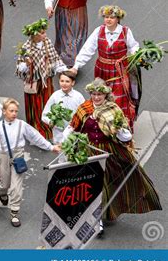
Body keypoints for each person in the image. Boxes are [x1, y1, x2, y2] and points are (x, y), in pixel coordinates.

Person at [63, 78, 162, 234]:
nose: (96, 97)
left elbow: (126, 136)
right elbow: (73, 127)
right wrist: (66, 139)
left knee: (106, 185)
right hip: (87, 152)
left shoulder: (114, 109)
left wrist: (121, 132)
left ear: (105, 95)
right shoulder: (84, 108)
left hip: (108, 152)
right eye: (94, 94)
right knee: (91, 185)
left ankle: (103, 213)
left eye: (99, 94)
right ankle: (96, 220)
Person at [0, 98, 60, 227]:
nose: (14, 113)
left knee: (16, 186)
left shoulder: (22, 125)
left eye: (16, 111)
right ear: (4, 111)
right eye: (11, 111)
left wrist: (50, 147)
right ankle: (2, 192)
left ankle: (14, 213)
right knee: (5, 183)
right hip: (3, 156)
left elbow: (35, 136)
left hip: (18, 156)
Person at [69, 5, 140, 128]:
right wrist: (76, 66)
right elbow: (88, 49)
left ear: (118, 19)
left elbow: (134, 46)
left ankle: (121, 128)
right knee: (101, 97)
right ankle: (102, 127)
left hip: (120, 71)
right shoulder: (99, 31)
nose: (108, 20)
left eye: (112, 17)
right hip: (102, 70)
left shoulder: (125, 32)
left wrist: (136, 55)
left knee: (118, 99)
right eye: (106, 17)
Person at [15, 18, 68, 139]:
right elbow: (19, 69)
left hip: (47, 80)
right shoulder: (26, 48)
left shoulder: (47, 42)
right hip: (34, 82)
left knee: (49, 102)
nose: (45, 35)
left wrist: (63, 69)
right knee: (35, 105)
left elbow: (55, 58)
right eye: (42, 33)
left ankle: (48, 124)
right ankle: (36, 128)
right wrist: (26, 65)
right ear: (35, 35)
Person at [41, 71, 85, 144]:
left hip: (74, 133)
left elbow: (85, 114)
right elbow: (44, 115)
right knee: (61, 153)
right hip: (59, 134)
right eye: (62, 81)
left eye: (67, 81)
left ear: (73, 83)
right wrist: (50, 122)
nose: (64, 84)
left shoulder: (79, 97)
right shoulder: (55, 96)